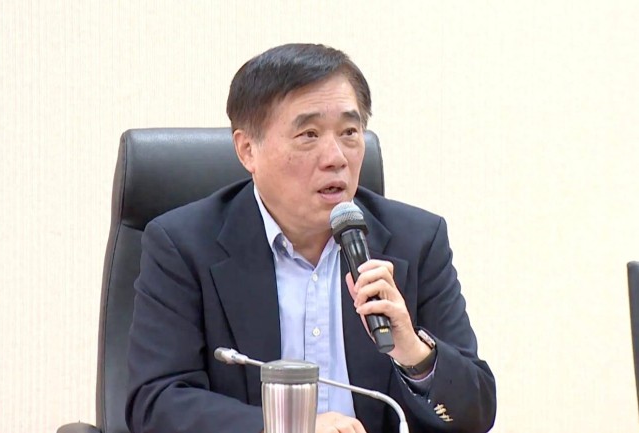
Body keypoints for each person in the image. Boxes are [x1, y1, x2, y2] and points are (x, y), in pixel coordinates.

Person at [126, 43, 496, 433]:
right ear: (247, 150)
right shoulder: (183, 246)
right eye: (309, 134)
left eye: (349, 132)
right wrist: (292, 427)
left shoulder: (416, 241)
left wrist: (414, 353)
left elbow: (473, 417)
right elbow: (156, 402)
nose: (336, 157)